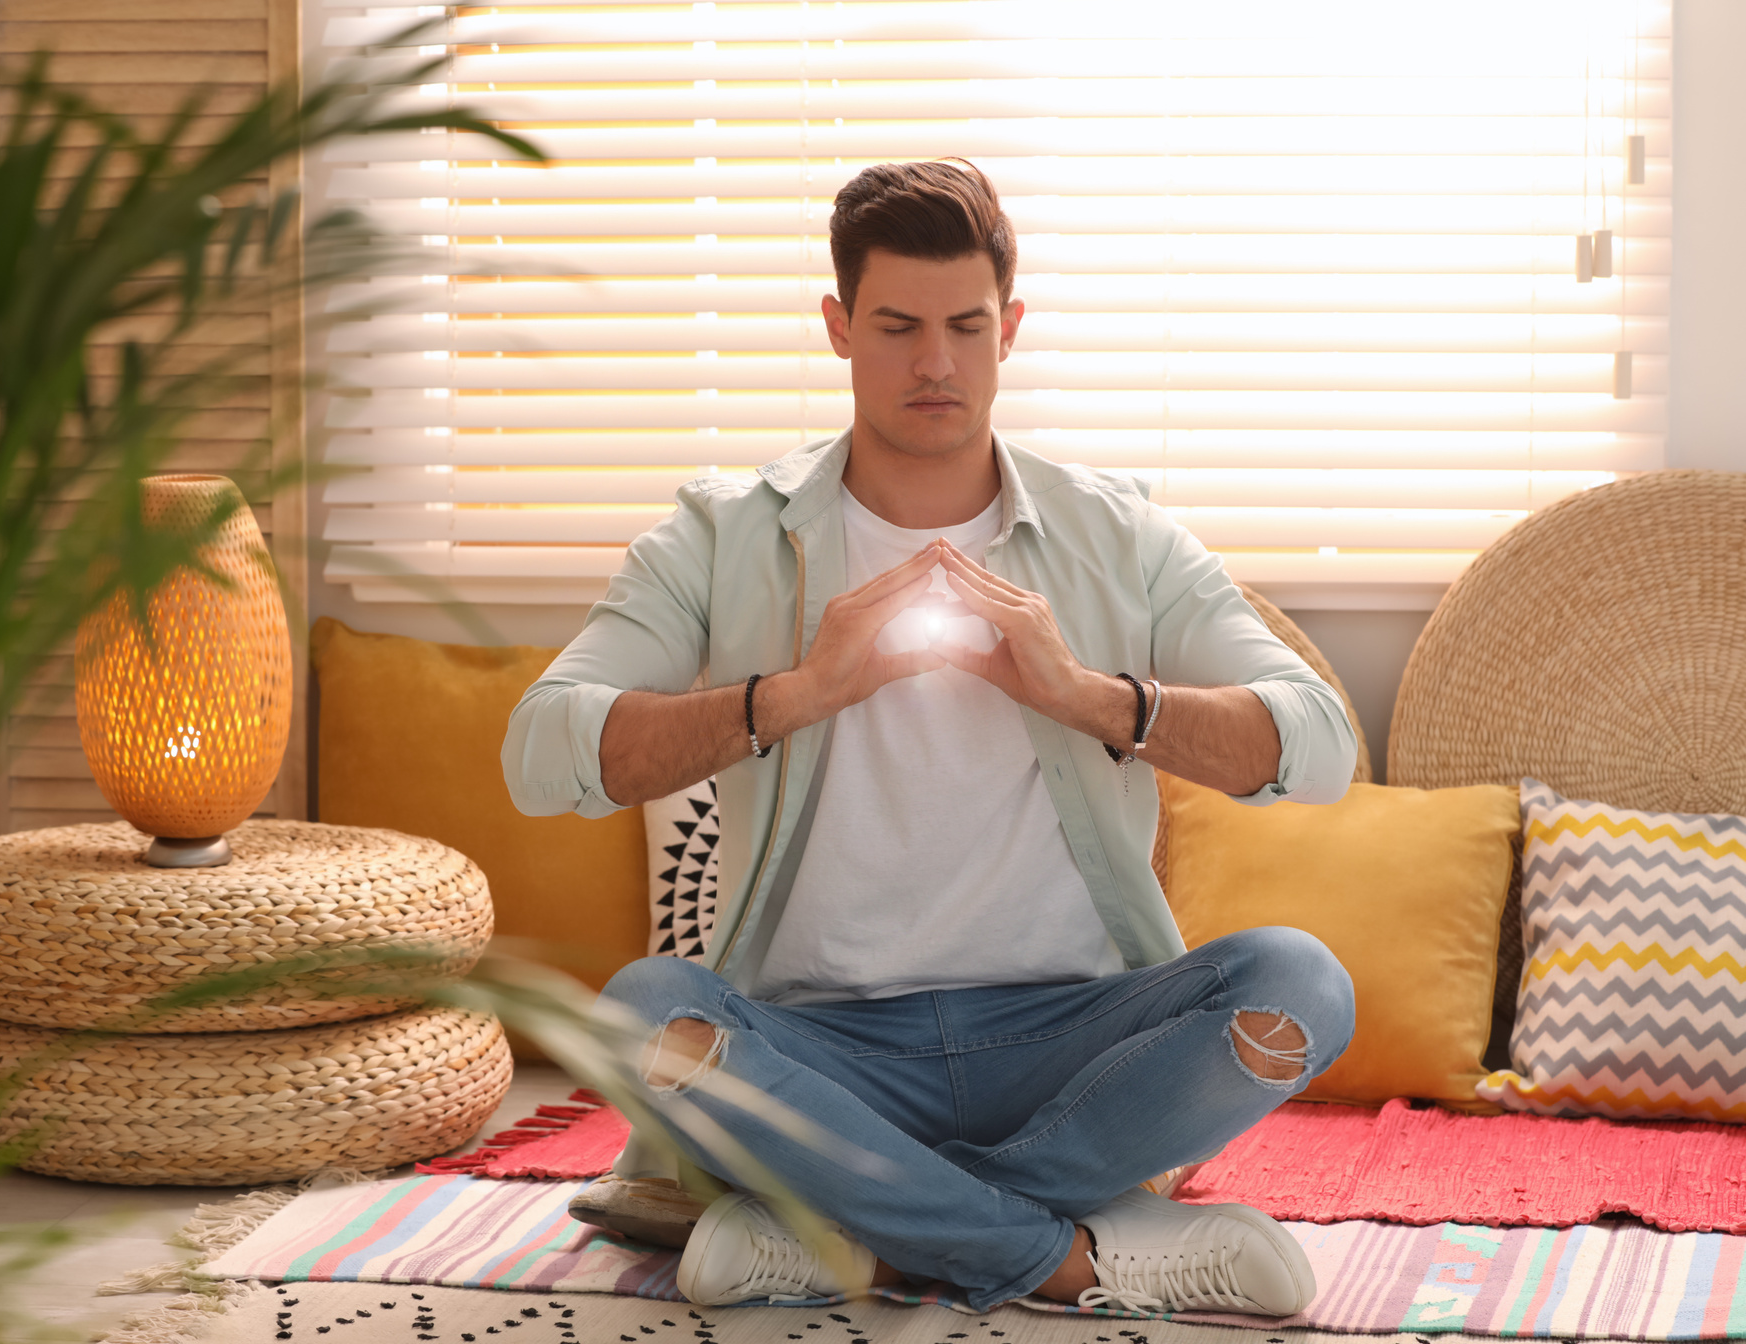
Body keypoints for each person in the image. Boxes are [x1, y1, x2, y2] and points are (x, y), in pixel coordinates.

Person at [502, 159, 1358, 1318]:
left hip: (1068, 1048)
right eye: (897, 326)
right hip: (820, 1056)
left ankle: (866, 1240)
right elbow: (542, 751)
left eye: (965, 326)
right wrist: (792, 693)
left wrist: (1094, 698)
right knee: (647, 1012)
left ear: (1010, 328)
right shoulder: (722, 534)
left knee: (1300, 985)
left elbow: (1318, 743)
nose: (935, 362)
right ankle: (1067, 1258)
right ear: (838, 327)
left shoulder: (1119, 531)